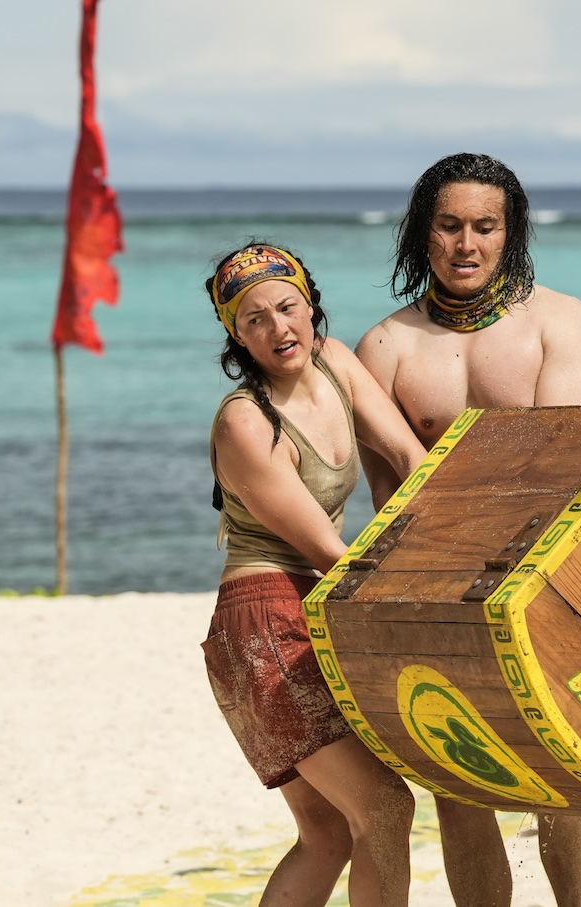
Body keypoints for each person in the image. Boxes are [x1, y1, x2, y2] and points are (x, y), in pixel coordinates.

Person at [355, 152, 581, 907]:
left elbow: (567, 472)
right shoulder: (387, 346)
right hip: (435, 589)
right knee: (457, 784)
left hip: (547, 581)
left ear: (510, 234)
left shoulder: (558, 324)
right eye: (450, 225)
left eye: (485, 227)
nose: (467, 244)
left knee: (563, 775)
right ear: (422, 233)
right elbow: (387, 506)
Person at [202, 241, 431, 907]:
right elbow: (332, 553)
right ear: (237, 338)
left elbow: (410, 457)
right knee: (385, 807)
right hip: (263, 621)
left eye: (287, 306)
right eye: (254, 320)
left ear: (310, 305)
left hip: (308, 608)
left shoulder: (336, 362)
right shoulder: (246, 423)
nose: (278, 328)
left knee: (327, 833)